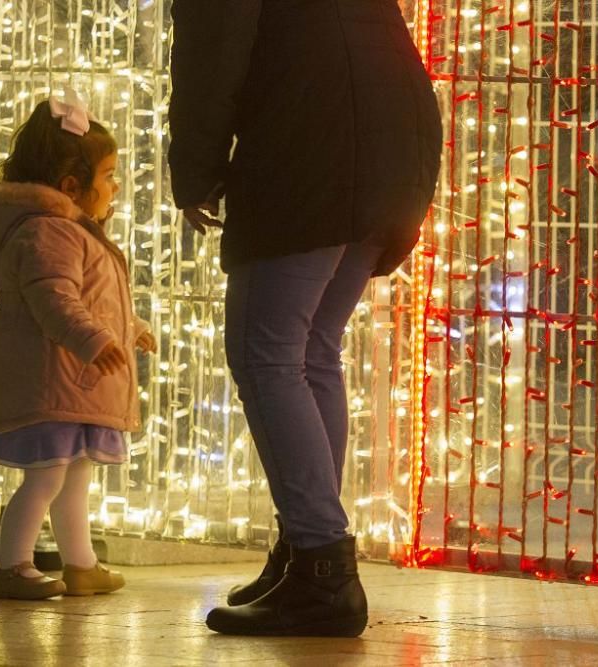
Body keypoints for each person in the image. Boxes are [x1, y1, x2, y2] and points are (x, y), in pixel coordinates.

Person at [168, 0, 442, 638]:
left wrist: (196, 173)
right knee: (314, 350)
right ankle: (305, 555)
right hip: (390, 157)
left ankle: (321, 568)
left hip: (309, 152)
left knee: (265, 353)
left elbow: (210, 59)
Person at [0, 88, 157, 600]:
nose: (116, 187)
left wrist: (129, 326)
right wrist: (94, 339)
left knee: (73, 480)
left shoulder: (74, 231)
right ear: (73, 185)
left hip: (72, 379)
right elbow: (54, 299)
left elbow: (94, 300)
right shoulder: (51, 232)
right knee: (46, 479)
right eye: (109, 176)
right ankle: (13, 567)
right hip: (50, 378)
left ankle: (82, 564)